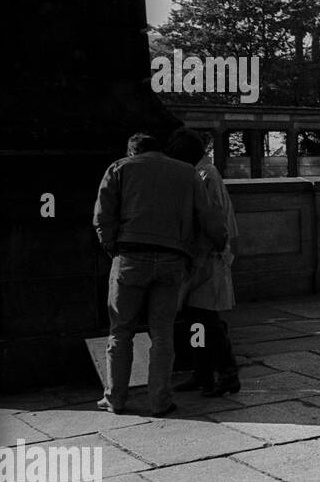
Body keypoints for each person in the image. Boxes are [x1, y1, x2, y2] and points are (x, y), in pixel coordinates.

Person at [93, 132, 228, 415]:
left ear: (133, 151)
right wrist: (220, 242)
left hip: (129, 256)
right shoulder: (187, 172)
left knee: (120, 331)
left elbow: (102, 215)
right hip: (172, 259)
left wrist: (113, 247)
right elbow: (208, 215)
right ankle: (159, 401)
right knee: (163, 333)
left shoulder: (119, 168)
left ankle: (115, 398)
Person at [165, 128, 241, 396]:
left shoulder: (205, 175)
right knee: (198, 319)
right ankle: (204, 374)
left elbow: (214, 222)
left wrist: (200, 259)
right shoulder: (204, 173)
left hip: (206, 259)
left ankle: (226, 374)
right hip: (204, 257)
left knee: (207, 321)